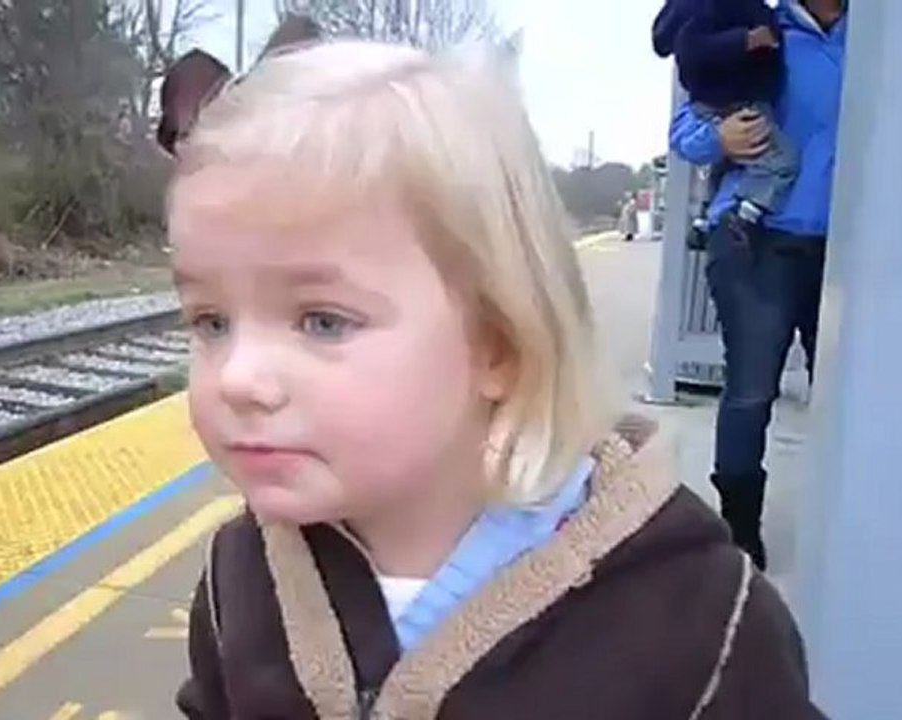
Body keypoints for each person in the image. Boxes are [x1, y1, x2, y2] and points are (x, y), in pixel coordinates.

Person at [162, 20, 827, 720]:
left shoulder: (701, 624)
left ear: (499, 344)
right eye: (210, 321)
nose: (237, 378)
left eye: (322, 321)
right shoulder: (240, 576)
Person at [669, 0, 846, 570]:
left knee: (846, 396)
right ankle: (740, 531)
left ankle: (850, 520)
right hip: (755, 240)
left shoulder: (880, 50)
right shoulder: (761, 31)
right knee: (751, 390)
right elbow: (685, 130)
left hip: (849, 250)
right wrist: (719, 136)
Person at [653, 0, 800, 243]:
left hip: (829, 235)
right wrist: (717, 139)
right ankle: (742, 217)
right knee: (784, 161)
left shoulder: (859, 34)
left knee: (725, 168)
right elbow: (681, 134)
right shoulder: (721, 11)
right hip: (744, 239)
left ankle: (707, 218)